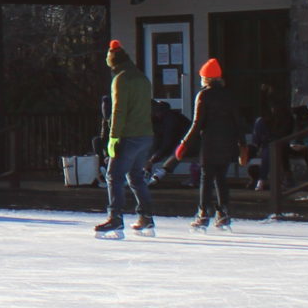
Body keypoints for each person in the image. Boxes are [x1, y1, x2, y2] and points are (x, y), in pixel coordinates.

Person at [173, 58, 244, 230]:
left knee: (206, 178)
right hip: (228, 142)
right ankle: (223, 213)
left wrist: (184, 143)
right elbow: (238, 122)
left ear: (205, 78)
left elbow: (197, 123)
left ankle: (203, 213)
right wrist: (243, 144)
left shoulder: (203, 95)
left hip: (210, 143)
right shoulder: (229, 95)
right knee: (221, 178)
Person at [95, 41, 156, 237]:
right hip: (145, 135)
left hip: (128, 136)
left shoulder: (121, 80)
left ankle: (115, 218)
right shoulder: (142, 78)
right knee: (136, 177)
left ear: (112, 63)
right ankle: (146, 217)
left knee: (114, 176)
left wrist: (113, 137)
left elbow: (118, 110)